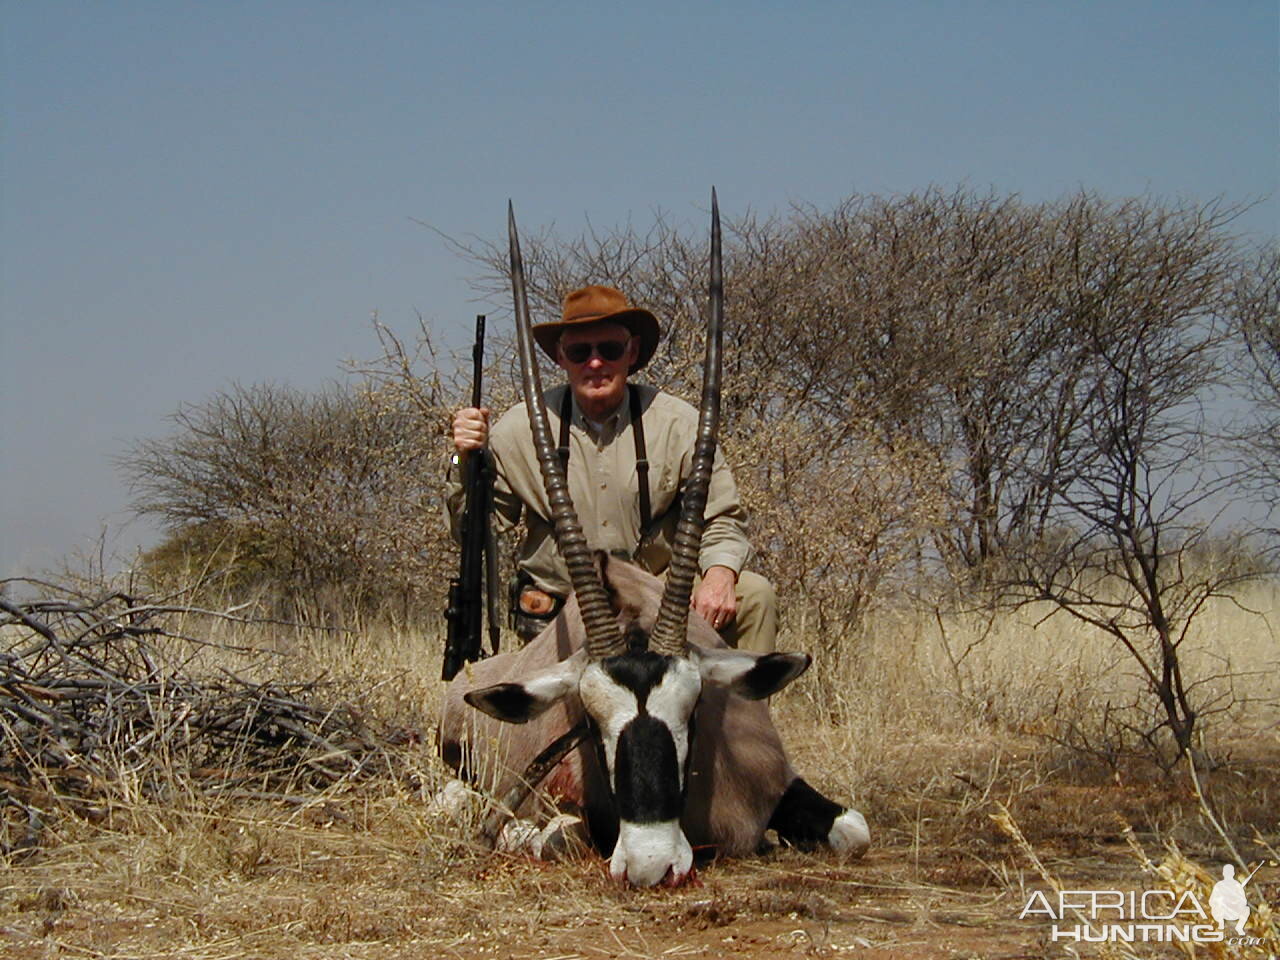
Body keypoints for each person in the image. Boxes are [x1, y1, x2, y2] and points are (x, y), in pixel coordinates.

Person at [448, 284, 777, 651]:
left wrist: (719, 575)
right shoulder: (517, 429)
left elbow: (722, 516)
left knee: (754, 597)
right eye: (579, 352)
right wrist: (464, 458)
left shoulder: (678, 423)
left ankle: (740, 709)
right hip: (563, 603)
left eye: (609, 349)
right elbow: (473, 531)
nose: (594, 363)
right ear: (560, 357)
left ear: (631, 352)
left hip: (657, 596)